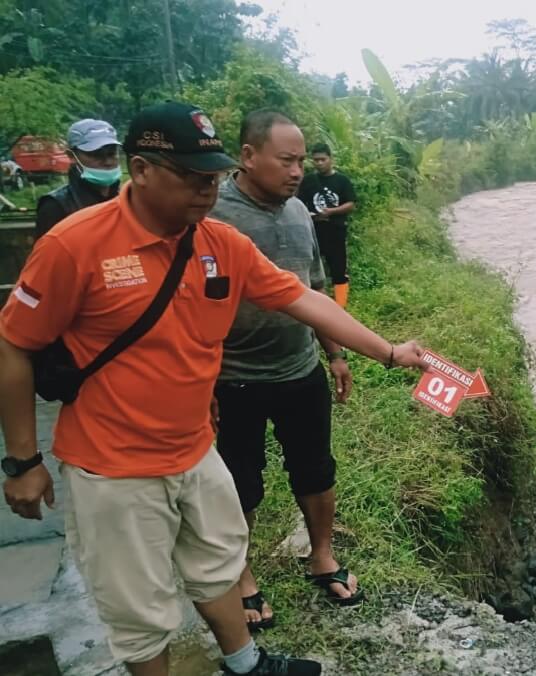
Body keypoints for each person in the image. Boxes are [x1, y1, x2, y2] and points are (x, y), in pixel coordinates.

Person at [0, 101, 426, 676]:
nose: (207, 191)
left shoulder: (219, 243)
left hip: (195, 448)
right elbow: (15, 344)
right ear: (142, 168)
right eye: (194, 178)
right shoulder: (75, 245)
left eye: (214, 177)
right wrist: (23, 460)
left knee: (219, 564)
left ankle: (246, 664)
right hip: (114, 467)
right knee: (140, 606)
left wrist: (389, 351)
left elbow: (306, 298)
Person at [209, 110, 359, 633]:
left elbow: (313, 289)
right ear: (248, 156)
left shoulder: (299, 212)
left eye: (301, 160)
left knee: (316, 469)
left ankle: (321, 554)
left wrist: (335, 352)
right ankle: (242, 575)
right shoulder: (212, 213)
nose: (298, 171)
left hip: (300, 368)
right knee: (239, 482)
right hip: (232, 376)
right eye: (286, 160)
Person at [35, 118, 123, 238]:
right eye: (96, 154)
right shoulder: (55, 206)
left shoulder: (129, 199)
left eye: (111, 154)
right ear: (72, 156)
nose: (107, 162)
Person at [298, 143, 355, 307]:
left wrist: (331, 212)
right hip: (313, 232)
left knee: (339, 271)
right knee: (310, 270)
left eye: (323, 159)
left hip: (336, 231)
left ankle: (341, 307)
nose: (319, 163)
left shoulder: (342, 181)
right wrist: (309, 215)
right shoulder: (308, 181)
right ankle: (313, 307)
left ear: (331, 159)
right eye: (316, 160)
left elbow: (350, 204)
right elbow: (299, 203)